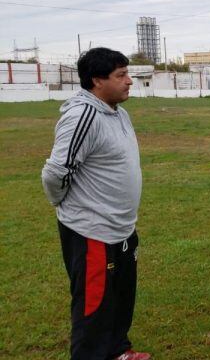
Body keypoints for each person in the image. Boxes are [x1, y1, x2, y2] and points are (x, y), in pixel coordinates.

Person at [42, 47, 150, 360]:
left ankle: (118, 351)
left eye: (127, 74)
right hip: (92, 231)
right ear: (96, 81)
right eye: (121, 75)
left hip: (122, 228)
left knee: (120, 298)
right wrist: (68, 206)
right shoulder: (82, 116)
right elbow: (56, 172)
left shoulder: (119, 112)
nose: (130, 81)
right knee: (93, 307)